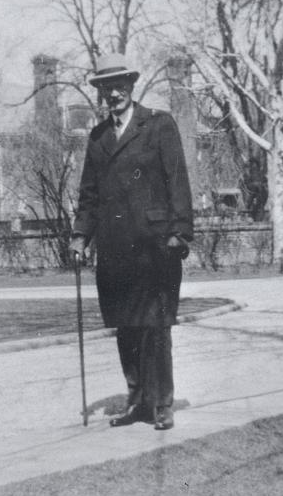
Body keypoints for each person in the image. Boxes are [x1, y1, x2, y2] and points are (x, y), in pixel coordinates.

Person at [69, 54, 194, 431]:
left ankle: (162, 405)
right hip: (116, 249)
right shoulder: (97, 138)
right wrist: (79, 236)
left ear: (132, 85)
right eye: (107, 87)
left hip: (156, 246)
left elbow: (178, 183)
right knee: (126, 327)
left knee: (156, 326)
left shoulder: (158, 125)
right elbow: (89, 195)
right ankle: (137, 401)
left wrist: (179, 232)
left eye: (120, 85)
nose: (114, 93)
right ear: (100, 92)